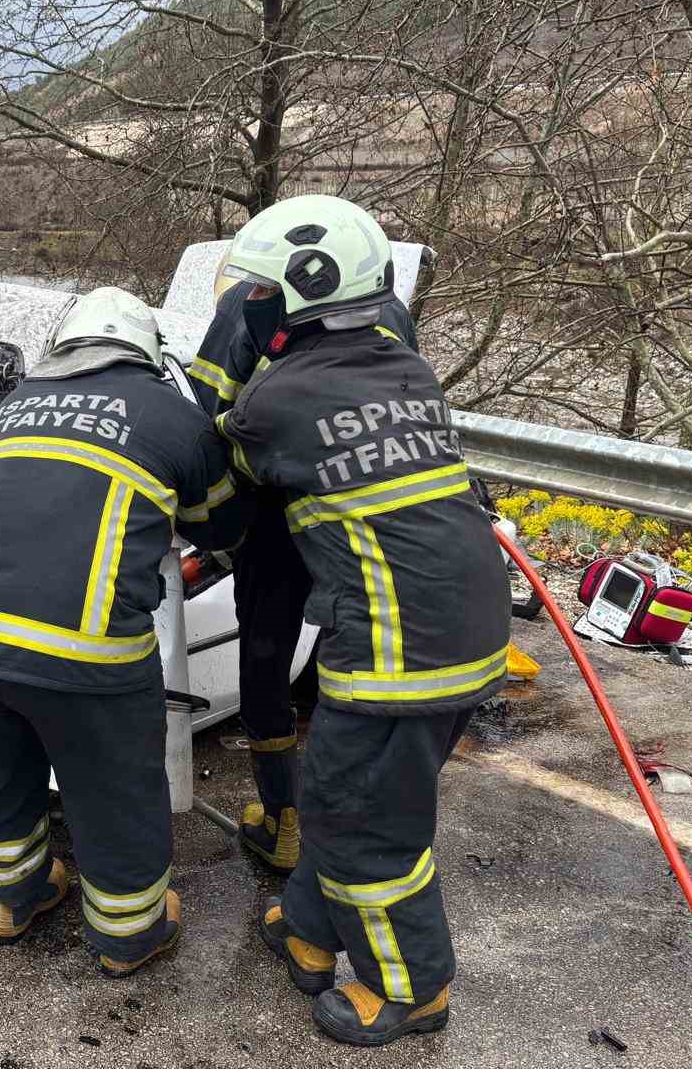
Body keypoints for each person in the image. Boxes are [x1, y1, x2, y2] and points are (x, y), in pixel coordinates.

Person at [217, 195, 509, 1046]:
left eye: (260, 295)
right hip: (467, 621)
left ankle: (414, 989)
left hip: (401, 649)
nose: (252, 309)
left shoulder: (278, 401)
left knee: (357, 816)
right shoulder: (408, 368)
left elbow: (226, 457)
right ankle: (306, 928)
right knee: (355, 793)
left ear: (299, 298)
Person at [0, 286, 249, 977]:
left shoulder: (12, 408)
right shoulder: (172, 414)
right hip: (81, 649)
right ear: (148, 353)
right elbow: (222, 529)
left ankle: (17, 898)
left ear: (64, 348)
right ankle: (130, 937)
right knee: (114, 787)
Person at [188, 231, 421, 876]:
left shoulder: (243, 304)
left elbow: (210, 415)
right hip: (363, 506)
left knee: (265, 652)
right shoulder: (387, 305)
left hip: (275, 512)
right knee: (357, 643)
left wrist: (217, 521)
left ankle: (283, 817)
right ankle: (350, 811)